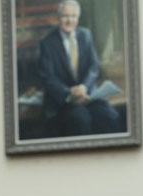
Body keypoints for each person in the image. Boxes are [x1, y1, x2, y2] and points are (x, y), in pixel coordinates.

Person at [38, 0, 120, 136]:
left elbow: (93, 67)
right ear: (58, 18)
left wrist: (83, 87)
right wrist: (70, 92)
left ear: (78, 18)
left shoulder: (85, 35)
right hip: (64, 99)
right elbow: (47, 77)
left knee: (110, 116)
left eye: (73, 16)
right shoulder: (47, 42)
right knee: (81, 121)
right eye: (65, 16)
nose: (70, 20)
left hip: (88, 94)